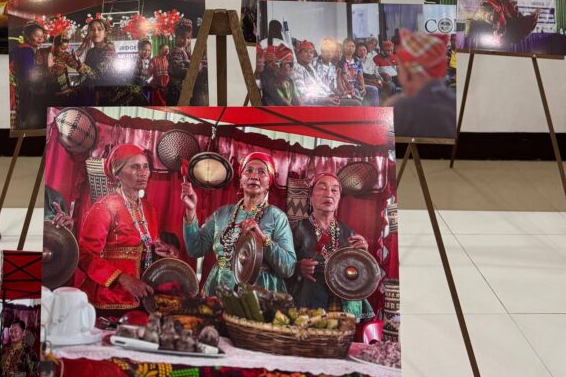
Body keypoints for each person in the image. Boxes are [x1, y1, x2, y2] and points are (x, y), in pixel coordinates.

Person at [77, 144, 178, 314]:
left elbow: (150, 245)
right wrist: (122, 278)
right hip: (108, 300)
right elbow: (85, 255)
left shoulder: (148, 209)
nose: (143, 172)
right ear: (118, 174)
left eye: (146, 167)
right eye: (135, 167)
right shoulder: (104, 207)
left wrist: (164, 251)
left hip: (142, 298)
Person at [181, 150, 296, 296]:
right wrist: (191, 210)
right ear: (241, 180)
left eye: (262, 172)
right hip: (219, 291)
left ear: (269, 182)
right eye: (248, 171)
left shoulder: (277, 217)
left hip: (259, 295)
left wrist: (262, 239)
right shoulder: (222, 214)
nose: (254, 176)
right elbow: (195, 249)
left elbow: (288, 268)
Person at [288, 174, 374, 321]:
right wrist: (297, 268)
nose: (328, 194)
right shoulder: (297, 230)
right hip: (309, 303)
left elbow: (359, 274)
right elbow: (282, 266)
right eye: (322, 188)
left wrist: (363, 256)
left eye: (334, 190)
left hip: (344, 304)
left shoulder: (348, 232)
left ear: (339, 199)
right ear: (310, 197)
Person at [388, 30, 457, 140]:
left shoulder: (400, 108)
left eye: (400, 70)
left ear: (409, 73)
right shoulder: (455, 104)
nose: (399, 76)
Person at [466, 0, 539, 50]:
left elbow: (516, 19)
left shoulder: (509, 3)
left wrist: (530, 18)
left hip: (505, 40)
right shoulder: (486, 3)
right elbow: (481, 21)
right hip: (488, 39)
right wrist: (496, 17)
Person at [9, 21, 49, 129]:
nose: (40, 38)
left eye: (42, 36)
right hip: (13, 88)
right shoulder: (26, 51)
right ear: (27, 36)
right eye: (36, 35)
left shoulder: (21, 48)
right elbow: (28, 75)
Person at [292, 40, 338, 105]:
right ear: (298, 54)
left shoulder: (310, 66)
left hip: (323, 98)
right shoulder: (296, 69)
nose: (309, 55)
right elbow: (303, 96)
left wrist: (331, 95)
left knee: (351, 102)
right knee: (335, 106)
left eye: (311, 52)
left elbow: (320, 83)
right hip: (314, 103)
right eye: (305, 51)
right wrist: (325, 99)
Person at [47, 34, 89, 103]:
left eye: (65, 49)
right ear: (55, 45)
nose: (63, 51)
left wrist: (77, 61)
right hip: (49, 83)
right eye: (62, 48)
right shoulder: (47, 53)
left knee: (63, 100)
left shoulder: (66, 55)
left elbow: (76, 66)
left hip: (62, 82)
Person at [166, 19, 193, 104]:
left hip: (181, 87)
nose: (185, 41)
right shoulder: (176, 51)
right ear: (176, 37)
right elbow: (178, 69)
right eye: (182, 38)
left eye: (188, 38)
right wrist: (193, 70)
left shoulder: (184, 51)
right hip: (176, 89)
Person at [336, 38, 366, 106]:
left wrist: (363, 87)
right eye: (348, 46)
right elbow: (341, 78)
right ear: (344, 47)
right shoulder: (340, 60)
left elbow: (360, 76)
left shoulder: (358, 61)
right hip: (346, 86)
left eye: (353, 46)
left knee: (373, 90)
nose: (350, 48)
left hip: (356, 84)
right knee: (356, 92)